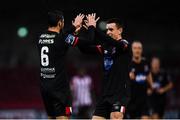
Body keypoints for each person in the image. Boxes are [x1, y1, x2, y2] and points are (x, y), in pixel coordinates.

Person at [36, 10, 97, 119]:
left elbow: (57, 41)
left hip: (45, 86)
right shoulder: (63, 38)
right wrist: (91, 26)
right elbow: (88, 41)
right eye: (63, 22)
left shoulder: (40, 37)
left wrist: (73, 30)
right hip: (59, 88)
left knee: (51, 117)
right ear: (60, 23)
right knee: (63, 117)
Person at [79, 15, 131, 119]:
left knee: (115, 116)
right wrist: (83, 31)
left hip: (119, 94)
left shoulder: (124, 44)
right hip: (105, 94)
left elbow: (109, 40)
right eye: (107, 30)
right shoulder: (106, 47)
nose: (108, 32)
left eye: (111, 29)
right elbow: (85, 49)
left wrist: (94, 28)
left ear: (120, 30)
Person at [126, 41, 154, 119]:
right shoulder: (128, 64)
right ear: (131, 50)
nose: (137, 50)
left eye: (139, 48)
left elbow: (148, 74)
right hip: (132, 100)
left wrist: (151, 87)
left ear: (142, 50)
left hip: (144, 99)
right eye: (135, 48)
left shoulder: (145, 62)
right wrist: (128, 77)